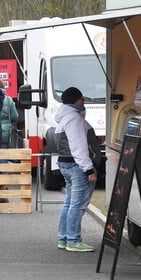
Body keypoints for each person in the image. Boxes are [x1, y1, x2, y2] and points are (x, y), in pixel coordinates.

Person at [54, 86, 100, 252]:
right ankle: (73, 240)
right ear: (75, 100)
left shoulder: (65, 117)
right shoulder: (74, 119)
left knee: (69, 204)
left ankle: (63, 238)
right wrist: (88, 170)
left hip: (66, 164)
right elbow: (78, 146)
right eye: (81, 98)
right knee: (77, 205)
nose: (84, 100)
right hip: (77, 166)